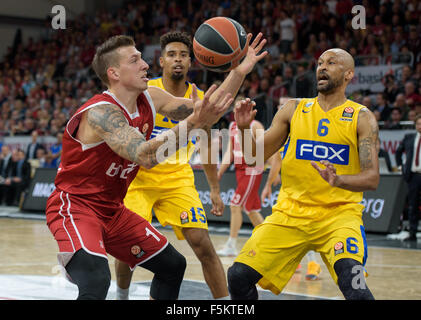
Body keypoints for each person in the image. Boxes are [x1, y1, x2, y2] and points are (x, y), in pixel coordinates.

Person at [45, 34, 267, 300]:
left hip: (112, 210)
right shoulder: (101, 113)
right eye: (135, 60)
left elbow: (211, 108)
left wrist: (238, 71)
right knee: (97, 280)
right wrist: (195, 122)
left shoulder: (150, 96)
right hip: (76, 206)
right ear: (114, 73)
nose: (145, 65)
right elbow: (145, 155)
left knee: (173, 266)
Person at [114, 31, 256, 300]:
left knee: (203, 244)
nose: (177, 60)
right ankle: (122, 295)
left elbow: (206, 146)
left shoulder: (200, 97)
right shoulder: (146, 90)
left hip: (177, 178)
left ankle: (224, 303)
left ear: (191, 62)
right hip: (137, 178)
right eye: (171, 55)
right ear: (162, 62)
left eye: (183, 55)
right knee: (128, 245)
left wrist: (214, 188)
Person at [227, 48, 379, 300]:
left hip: (339, 217)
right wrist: (244, 129)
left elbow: (372, 178)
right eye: (319, 62)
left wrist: (339, 180)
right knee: (237, 276)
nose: (322, 67)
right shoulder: (293, 109)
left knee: (355, 285)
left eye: (331, 62)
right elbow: (255, 157)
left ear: (349, 74)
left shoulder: (362, 117)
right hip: (290, 214)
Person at [260, 148, 321, 281]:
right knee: (285, 227)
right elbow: (276, 159)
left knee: (307, 227)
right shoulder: (283, 130)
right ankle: (294, 261)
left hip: (311, 187)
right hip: (289, 190)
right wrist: (268, 184)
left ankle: (313, 263)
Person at [216, 111, 265, 257]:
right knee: (251, 210)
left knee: (235, 205)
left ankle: (231, 244)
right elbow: (229, 153)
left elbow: (266, 149)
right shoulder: (232, 126)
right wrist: (219, 172)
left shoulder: (255, 126)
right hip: (239, 170)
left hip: (251, 170)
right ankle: (273, 240)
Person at [395, 114, 421, 241]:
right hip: (414, 175)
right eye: (418, 124)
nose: (420, 126)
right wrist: (400, 166)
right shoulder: (409, 137)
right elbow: (398, 152)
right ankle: (412, 233)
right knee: (413, 205)